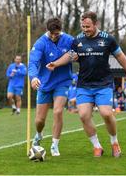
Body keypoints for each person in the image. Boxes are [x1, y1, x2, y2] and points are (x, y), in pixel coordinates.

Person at [46, 11, 126, 158]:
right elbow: (69, 55)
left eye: (88, 26)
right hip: (84, 85)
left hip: (104, 83)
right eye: (83, 26)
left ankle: (114, 143)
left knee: (106, 114)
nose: (85, 29)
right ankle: (97, 146)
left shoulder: (108, 39)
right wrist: (55, 64)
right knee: (83, 115)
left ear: (96, 24)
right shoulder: (77, 40)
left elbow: (120, 55)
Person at [28, 17, 75, 156]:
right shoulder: (40, 43)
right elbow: (33, 63)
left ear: (61, 31)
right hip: (44, 83)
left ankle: (55, 145)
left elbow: (78, 51)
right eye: (52, 34)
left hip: (63, 81)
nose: (55, 37)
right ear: (47, 31)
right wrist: (34, 77)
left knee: (58, 111)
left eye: (57, 34)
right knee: (39, 120)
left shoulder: (69, 40)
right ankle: (39, 134)